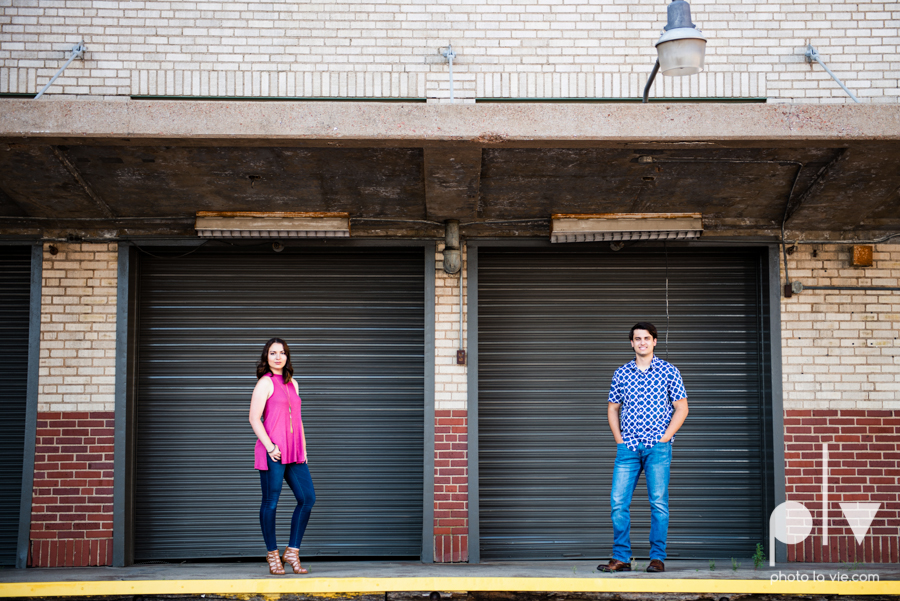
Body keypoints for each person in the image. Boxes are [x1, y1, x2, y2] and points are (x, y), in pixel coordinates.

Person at [599, 322, 688, 574]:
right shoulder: (621, 373)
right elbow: (612, 408)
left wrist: (665, 438)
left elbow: (682, 408)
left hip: (657, 448)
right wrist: (619, 439)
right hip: (627, 448)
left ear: (654, 341)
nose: (642, 343)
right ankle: (621, 558)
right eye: (637, 339)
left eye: (646, 338)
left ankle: (657, 558)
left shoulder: (669, 371)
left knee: (658, 503)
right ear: (631, 343)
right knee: (618, 503)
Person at [249, 337, 316, 575]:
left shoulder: (293, 384)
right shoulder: (264, 384)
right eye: (273, 353)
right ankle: (272, 554)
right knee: (271, 502)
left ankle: (292, 551)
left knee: (307, 498)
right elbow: (254, 418)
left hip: (294, 451)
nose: (278, 357)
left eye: (282, 352)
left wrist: (304, 449)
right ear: (266, 357)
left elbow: (297, 420)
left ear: (287, 357)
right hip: (273, 452)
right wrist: (270, 447)